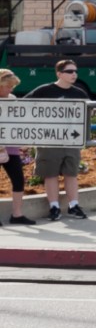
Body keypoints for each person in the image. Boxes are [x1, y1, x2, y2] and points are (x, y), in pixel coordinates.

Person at [26, 61, 91, 222]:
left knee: (71, 173)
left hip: (71, 140)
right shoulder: (43, 90)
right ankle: (54, 207)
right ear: (59, 73)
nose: (74, 74)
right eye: (69, 71)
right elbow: (24, 106)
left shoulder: (80, 93)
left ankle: (74, 205)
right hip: (48, 140)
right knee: (51, 174)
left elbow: (88, 114)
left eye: (75, 71)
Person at [0, 70, 29, 225]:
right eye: (9, 86)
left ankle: (17, 215)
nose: (11, 89)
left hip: (10, 148)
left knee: (18, 180)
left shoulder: (13, 99)